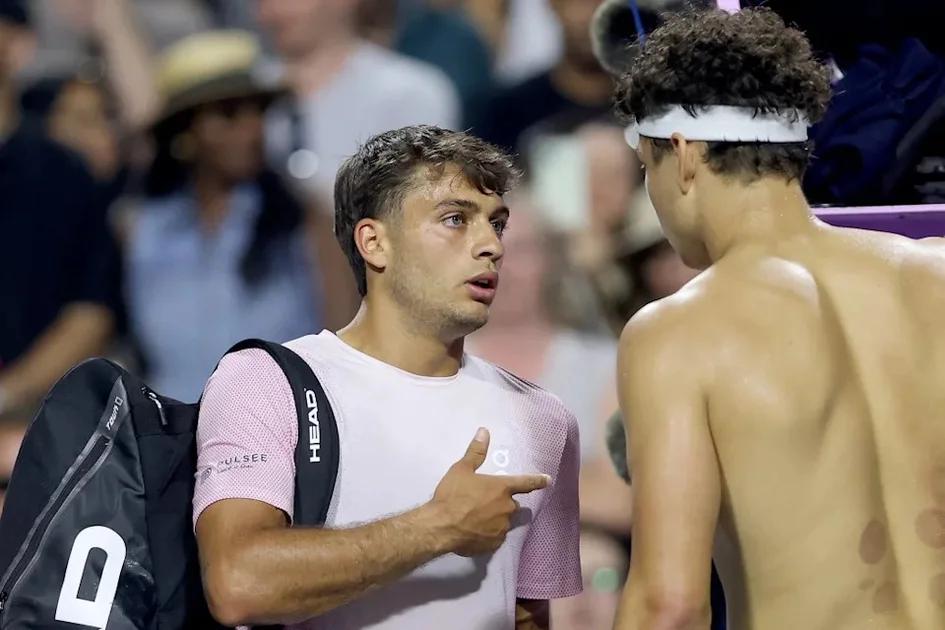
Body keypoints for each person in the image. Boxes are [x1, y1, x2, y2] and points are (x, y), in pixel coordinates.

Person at [611, 8, 945, 630]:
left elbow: (670, 606)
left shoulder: (677, 332)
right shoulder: (937, 275)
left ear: (681, 156)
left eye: (645, 167)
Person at [193, 125, 582, 629]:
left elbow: (527, 617)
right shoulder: (265, 381)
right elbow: (238, 582)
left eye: (497, 224)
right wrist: (438, 526)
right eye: (455, 219)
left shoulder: (544, 419)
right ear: (374, 243)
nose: (491, 245)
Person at [121, 31, 324, 402]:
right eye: (229, 114)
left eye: (258, 112)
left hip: (284, 436)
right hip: (171, 439)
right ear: (185, 132)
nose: (252, 130)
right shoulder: (139, 228)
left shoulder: (303, 218)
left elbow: (343, 343)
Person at [0, 0, 123, 418]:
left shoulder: (63, 173)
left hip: (36, 426)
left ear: (16, 44)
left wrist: (10, 393)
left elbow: (91, 310)